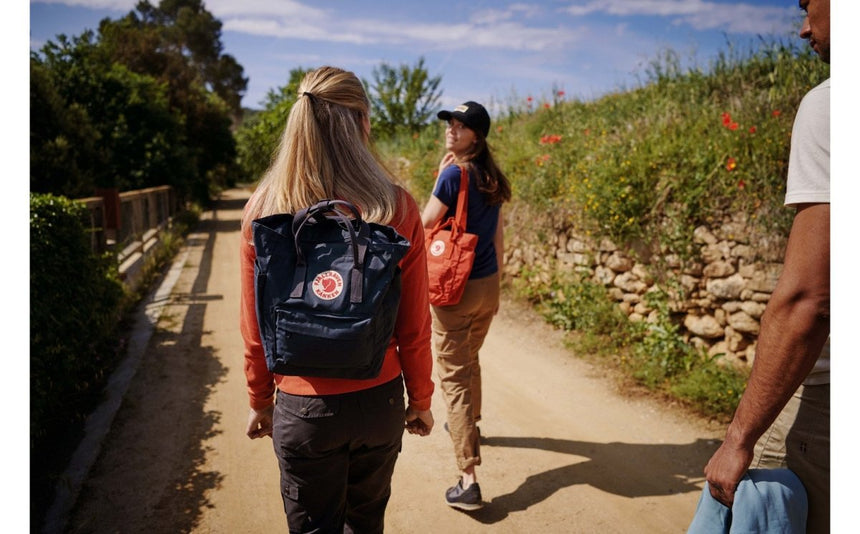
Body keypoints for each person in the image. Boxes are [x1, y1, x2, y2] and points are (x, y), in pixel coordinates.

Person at [239, 66, 435, 533]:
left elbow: (255, 326)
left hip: (303, 409)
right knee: (366, 523)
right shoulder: (395, 206)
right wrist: (421, 398)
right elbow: (414, 323)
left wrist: (259, 398)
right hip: (379, 401)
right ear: (362, 123)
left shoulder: (264, 209)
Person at [703, 0, 830, 531]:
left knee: (760, 502)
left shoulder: (832, 106)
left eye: (808, 5)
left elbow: (809, 299)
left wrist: (738, 441)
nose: (803, 28)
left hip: (830, 402)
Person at [421, 101, 511, 511]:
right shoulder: (491, 175)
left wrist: (441, 176)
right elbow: (498, 236)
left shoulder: (454, 174)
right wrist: (498, 285)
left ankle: (468, 478)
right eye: (450, 124)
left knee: (454, 377)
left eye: (460, 126)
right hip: (486, 284)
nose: (451, 130)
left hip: (454, 288)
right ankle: (470, 425)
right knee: (469, 357)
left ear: (477, 135)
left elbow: (425, 222)